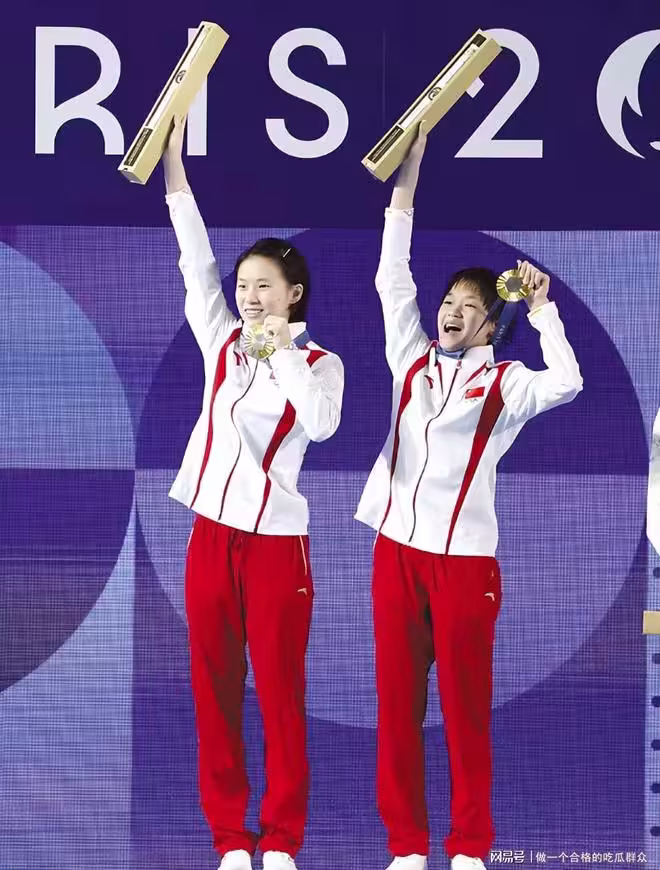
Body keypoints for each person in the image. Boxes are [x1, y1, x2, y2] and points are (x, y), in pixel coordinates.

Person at [356, 123, 583, 870]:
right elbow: (391, 279)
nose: (451, 309)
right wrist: (406, 189)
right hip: (395, 555)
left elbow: (568, 381)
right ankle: (406, 849)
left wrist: (543, 309)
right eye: (448, 299)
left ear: (492, 321)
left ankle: (469, 850)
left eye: (467, 303)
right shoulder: (409, 359)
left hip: (463, 567)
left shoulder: (507, 384)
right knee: (397, 712)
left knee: (463, 715)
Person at [162, 116, 344, 870]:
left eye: (264, 286)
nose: (249, 296)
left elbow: (323, 425)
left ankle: (283, 839)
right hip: (209, 537)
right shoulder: (220, 341)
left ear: (293, 293)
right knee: (214, 691)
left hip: (276, 548)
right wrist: (175, 172)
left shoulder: (322, 362)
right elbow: (195, 261)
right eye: (244, 287)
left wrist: (281, 349)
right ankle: (230, 838)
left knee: (278, 695)